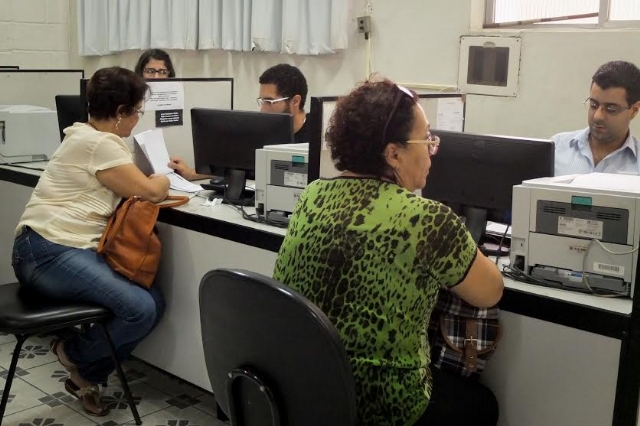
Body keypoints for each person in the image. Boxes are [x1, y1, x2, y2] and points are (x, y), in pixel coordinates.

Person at [272, 78, 504, 426]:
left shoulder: (313, 195)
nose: (431, 149)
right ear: (393, 153)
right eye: (426, 139)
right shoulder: (428, 219)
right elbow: (490, 291)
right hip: (385, 405)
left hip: (307, 386)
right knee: (481, 404)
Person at [11, 67, 169, 417]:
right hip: (45, 250)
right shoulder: (99, 143)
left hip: (63, 250)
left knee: (152, 302)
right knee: (139, 308)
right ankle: (72, 355)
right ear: (119, 114)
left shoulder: (85, 135)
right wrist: (162, 177)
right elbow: (149, 191)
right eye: (137, 112)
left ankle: (85, 376)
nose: (136, 121)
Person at [168, 63, 309, 180]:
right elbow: (238, 166)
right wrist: (191, 173)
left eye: (269, 102)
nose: (263, 110)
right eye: (262, 101)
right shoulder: (264, 129)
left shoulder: (318, 138)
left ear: (295, 101)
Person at [554, 60, 640, 176]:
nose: (598, 116)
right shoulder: (557, 148)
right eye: (594, 105)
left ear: (634, 110)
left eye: (610, 109)